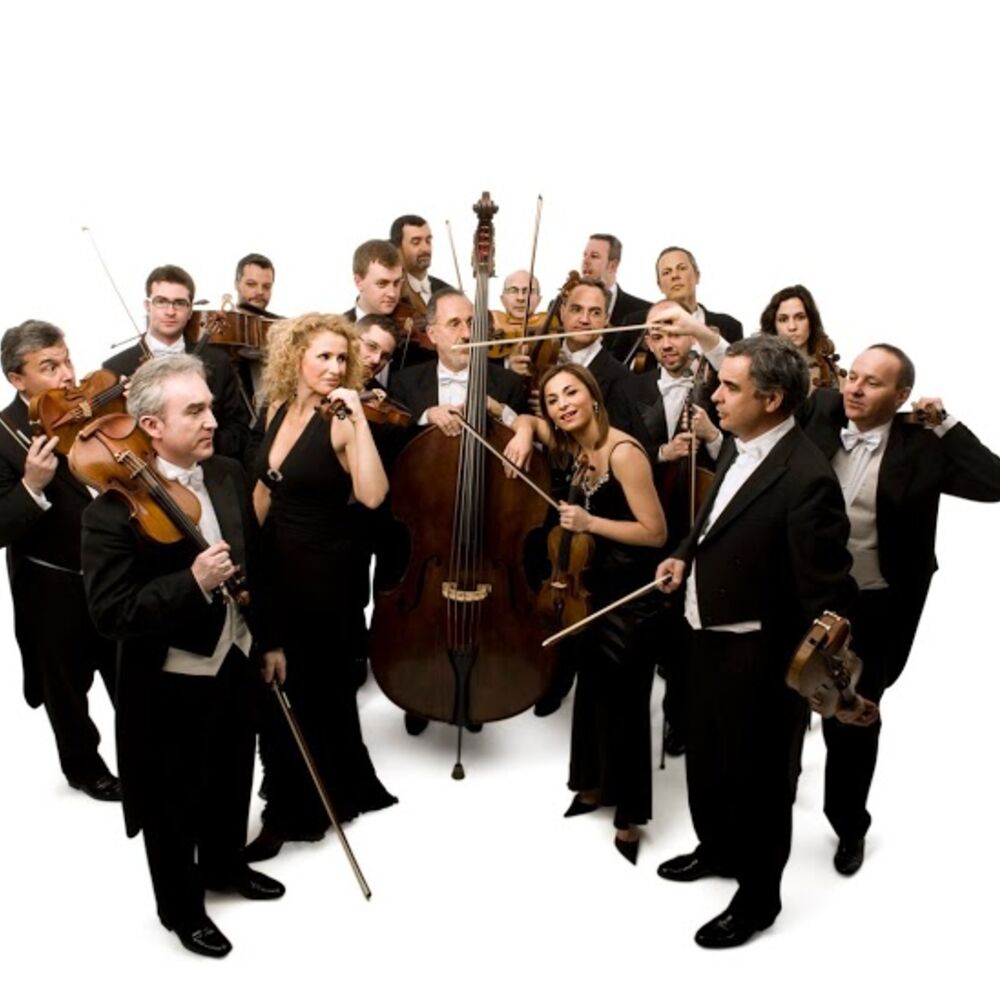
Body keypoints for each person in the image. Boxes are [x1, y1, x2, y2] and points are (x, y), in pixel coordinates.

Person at [81, 354, 285, 958]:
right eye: (193, 411)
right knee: (172, 800)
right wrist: (192, 581)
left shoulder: (225, 473)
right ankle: (180, 908)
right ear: (151, 426)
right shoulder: (108, 513)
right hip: (170, 679)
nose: (211, 421)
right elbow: (112, 613)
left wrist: (268, 639)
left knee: (232, 772)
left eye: (210, 407)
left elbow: (257, 563)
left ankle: (224, 865)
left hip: (236, 656)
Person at [655, 335, 856, 949]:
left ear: (771, 399)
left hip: (759, 662)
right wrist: (683, 554)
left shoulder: (808, 478)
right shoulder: (741, 445)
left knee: (762, 782)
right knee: (708, 758)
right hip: (703, 638)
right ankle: (717, 849)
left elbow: (826, 593)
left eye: (729, 387)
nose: (714, 396)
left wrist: (802, 681)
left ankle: (758, 899)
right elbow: (713, 522)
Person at [800, 344, 1000, 875]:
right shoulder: (821, 411)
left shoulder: (922, 443)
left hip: (873, 606)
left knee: (852, 714)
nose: (855, 388)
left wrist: (946, 423)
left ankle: (848, 824)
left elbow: (995, 483)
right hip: (805, 594)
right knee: (780, 697)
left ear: (902, 395)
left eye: (873, 383)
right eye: (853, 376)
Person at [245, 313, 397, 859]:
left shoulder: (342, 420)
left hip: (323, 575)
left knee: (308, 690)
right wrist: (244, 553)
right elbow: (264, 487)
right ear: (296, 358)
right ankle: (323, 784)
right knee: (275, 685)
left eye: (341, 358)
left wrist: (357, 418)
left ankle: (297, 813)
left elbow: (373, 495)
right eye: (323, 356)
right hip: (274, 565)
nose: (334, 367)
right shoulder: (276, 407)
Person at [504, 363, 666, 862]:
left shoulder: (623, 453)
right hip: (589, 592)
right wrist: (523, 428)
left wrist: (590, 522)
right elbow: (521, 419)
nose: (562, 405)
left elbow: (655, 533)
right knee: (593, 693)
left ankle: (629, 818)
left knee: (627, 706)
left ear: (593, 395)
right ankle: (593, 786)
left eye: (570, 393)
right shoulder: (574, 447)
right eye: (552, 400)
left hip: (630, 598)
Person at [0, 320, 119, 801]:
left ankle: (150, 756)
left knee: (130, 672)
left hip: (112, 575)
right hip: (52, 586)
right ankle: (84, 768)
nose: (67, 375)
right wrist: (31, 485)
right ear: (17, 378)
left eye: (67, 361)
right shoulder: (2, 435)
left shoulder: (88, 413)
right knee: (65, 688)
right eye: (49, 367)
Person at [618, 301, 728, 755]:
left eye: (676, 332)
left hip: (702, 524)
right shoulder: (628, 387)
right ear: (647, 341)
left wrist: (712, 437)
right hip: (645, 523)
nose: (667, 343)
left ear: (692, 334)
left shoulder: (719, 385)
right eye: (657, 335)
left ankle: (679, 718)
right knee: (642, 630)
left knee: (688, 634)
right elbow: (615, 447)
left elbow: (749, 453)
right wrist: (662, 454)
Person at [103, 264, 250, 460]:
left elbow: (239, 431)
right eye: (161, 302)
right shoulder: (114, 368)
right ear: (147, 306)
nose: (170, 311)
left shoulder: (219, 361)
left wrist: (197, 442)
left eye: (179, 303)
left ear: (190, 310)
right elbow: (111, 439)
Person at [612, 246, 743, 366]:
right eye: (666, 272)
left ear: (697, 276)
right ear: (659, 285)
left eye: (682, 268)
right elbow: (615, 372)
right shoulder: (636, 323)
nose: (675, 276)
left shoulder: (730, 326)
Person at [760, 284, 844, 393]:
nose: (792, 327)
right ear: (773, 325)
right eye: (783, 319)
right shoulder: (760, 369)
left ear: (811, 321)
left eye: (800, 317)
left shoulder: (832, 373)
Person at [580, 233, 651, 327]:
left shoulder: (646, 311)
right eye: (585, 255)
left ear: (613, 265)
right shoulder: (563, 305)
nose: (585, 261)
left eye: (594, 256)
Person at [389, 214, 450, 314]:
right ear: (398, 247)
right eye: (416, 242)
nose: (426, 249)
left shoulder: (446, 290)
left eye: (428, 241)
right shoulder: (391, 294)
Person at [234, 252, 278, 318]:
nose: (260, 292)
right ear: (236, 285)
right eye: (251, 284)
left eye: (266, 286)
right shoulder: (220, 321)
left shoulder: (282, 324)